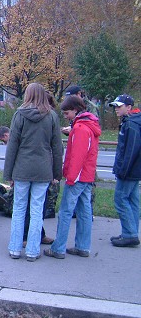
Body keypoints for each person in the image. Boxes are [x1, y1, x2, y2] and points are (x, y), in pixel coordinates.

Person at [4, 83, 63, 261]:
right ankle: (32, 251)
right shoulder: (52, 116)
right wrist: (56, 173)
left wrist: (8, 174)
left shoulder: (19, 115)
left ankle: (15, 248)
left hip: (22, 168)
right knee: (37, 210)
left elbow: (12, 146)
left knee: (19, 209)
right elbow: (57, 147)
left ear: (27, 95)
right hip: (43, 169)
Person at [45, 96, 101, 259]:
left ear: (76, 110)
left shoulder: (80, 129)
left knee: (65, 212)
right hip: (87, 176)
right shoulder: (88, 125)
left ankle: (58, 248)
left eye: (67, 113)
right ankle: (83, 246)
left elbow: (77, 156)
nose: (65, 116)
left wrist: (70, 177)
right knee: (84, 211)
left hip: (77, 177)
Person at [109, 94, 141, 248]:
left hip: (129, 171)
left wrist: (123, 170)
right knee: (133, 200)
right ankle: (131, 232)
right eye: (115, 106)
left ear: (129, 107)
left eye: (119, 106)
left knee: (121, 199)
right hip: (135, 170)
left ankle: (130, 234)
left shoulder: (131, 124)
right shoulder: (133, 121)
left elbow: (131, 150)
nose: (116, 109)